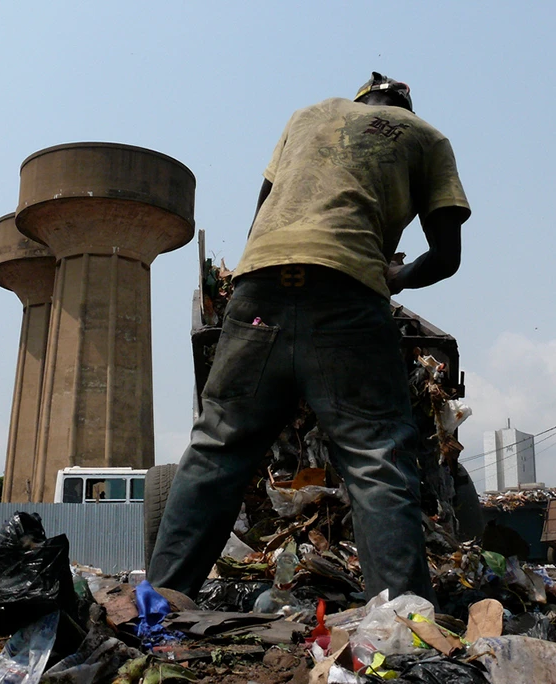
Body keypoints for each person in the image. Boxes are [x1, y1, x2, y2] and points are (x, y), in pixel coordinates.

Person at [148, 73, 471, 603]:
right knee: (376, 456)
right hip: (347, 294)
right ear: (405, 106)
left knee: (216, 448)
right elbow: (447, 256)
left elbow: (262, 213)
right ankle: (406, 629)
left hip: (259, 292)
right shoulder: (426, 136)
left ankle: (156, 608)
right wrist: (397, 276)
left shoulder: (307, 116)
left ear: (360, 99)